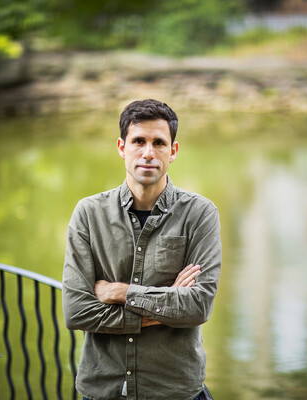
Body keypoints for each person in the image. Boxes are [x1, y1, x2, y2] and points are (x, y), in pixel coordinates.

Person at [62, 99, 221, 400]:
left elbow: (198, 306)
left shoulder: (201, 214)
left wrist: (121, 293)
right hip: (103, 389)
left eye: (159, 142)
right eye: (139, 141)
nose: (148, 152)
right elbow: (76, 311)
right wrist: (166, 305)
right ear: (122, 147)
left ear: (172, 151)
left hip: (175, 390)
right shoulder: (88, 214)